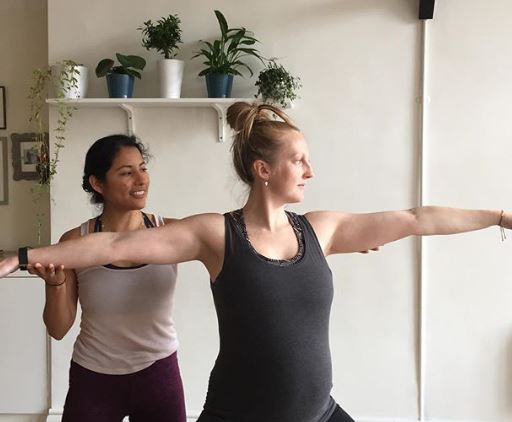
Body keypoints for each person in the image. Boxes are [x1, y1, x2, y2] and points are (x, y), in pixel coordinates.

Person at [1, 102, 510, 422]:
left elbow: (416, 217)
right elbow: (110, 248)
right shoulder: (216, 234)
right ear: (263, 170)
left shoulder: (322, 229)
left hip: (318, 412)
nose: (310, 170)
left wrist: (500, 216)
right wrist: (21, 257)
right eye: (298, 160)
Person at [29, 134, 186, 422]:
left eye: (143, 168)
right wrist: (55, 285)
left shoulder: (171, 233)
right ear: (97, 183)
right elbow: (58, 328)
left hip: (159, 374)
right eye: (127, 173)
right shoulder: (76, 240)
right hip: (94, 377)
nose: (141, 179)